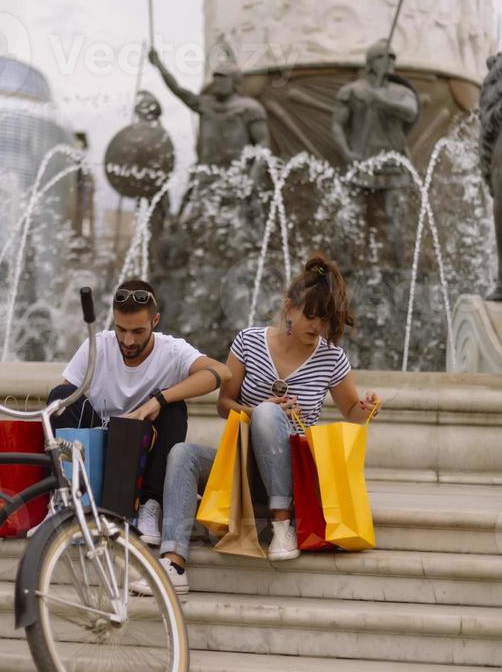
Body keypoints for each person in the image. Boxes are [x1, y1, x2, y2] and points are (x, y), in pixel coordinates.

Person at [131, 254, 381, 595]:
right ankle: (173, 564)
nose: (316, 327)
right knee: (182, 454)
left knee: (268, 414)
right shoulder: (248, 342)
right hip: (245, 468)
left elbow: (351, 412)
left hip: (294, 473)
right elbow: (224, 405)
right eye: (310, 316)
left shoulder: (331, 357)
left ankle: (282, 525)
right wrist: (258, 410)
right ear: (288, 307)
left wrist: (365, 408)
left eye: (324, 320)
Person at [46, 278, 231, 546]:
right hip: (99, 449)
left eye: (138, 331)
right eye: (121, 329)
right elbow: (64, 404)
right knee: (60, 397)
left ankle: (149, 507)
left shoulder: (172, 350)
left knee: (174, 407)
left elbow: (221, 373)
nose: (128, 340)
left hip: (144, 453)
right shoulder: (96, 345)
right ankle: (64, 497)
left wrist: (158, 400)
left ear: (155, 321)